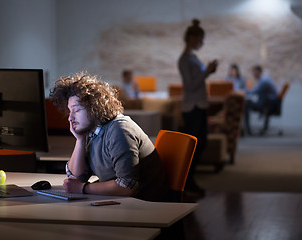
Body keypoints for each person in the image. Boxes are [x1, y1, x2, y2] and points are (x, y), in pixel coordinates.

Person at [49, 72, 169, 202]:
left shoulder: (119, 130)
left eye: (76, 110)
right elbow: (76, 177)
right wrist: (80, 140)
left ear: (94, 107)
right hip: (123, 204)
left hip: (146, 208)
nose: (70, 118)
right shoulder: (91, 132)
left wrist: (83, 188)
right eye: (70, 111)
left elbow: (127, 186)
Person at [178, 19, 218, 195]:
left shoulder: (192, 58)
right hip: (192, 107)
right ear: (192, 38)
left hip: (199, 105)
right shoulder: (184, 60)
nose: (202, 42)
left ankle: (189, 179)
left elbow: (197, 81)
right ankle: (186, 180)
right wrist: (207, 72)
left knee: (201, 143)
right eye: (201, 38)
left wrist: (208, 72)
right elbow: (190, 85)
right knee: (194, 145)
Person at [244, 65, 279, 135]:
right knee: (248, 102)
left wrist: (243, 92)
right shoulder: (263, 79)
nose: (253, 74)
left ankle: (247, 130)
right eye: (253, 72)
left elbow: (254, 92)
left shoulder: (263, 81)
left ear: (259, 72)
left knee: (246, 104)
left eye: (255, 72)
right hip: (268, 103)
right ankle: (247, 129)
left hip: (267, 105)